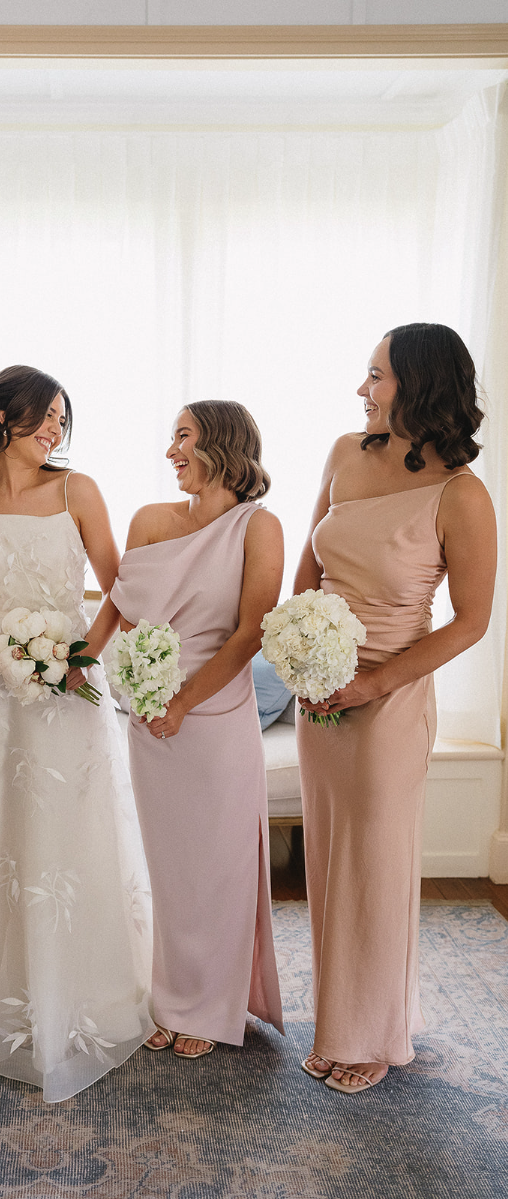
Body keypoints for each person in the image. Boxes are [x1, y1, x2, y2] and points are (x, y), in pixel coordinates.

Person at [295, 323, 497, 1094]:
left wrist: (373, 684)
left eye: (375, 376)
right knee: (329, 859)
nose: (362, 390)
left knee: (375, 864)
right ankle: (342, 1018)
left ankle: (372, 1033)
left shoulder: (463, 495)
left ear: (418, 385)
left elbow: (471, 621)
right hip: (322, 688)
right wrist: (303, 654)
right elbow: (309, 569)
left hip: (391, 695)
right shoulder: (347, 452)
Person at [0, 364, 154, 1103]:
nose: (56, 431)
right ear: (4, 419)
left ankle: (82, 990)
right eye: (45, 417)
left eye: (63, 420)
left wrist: (76, 658)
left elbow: (121, 586)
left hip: (67, 684)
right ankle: (11, 989)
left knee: (69, 834)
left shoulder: (78, 490)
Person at [110, 400, 285, 1060]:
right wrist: (138, 684)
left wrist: (182, 701)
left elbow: (249, 633)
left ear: (220, 442)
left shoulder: (258, 526)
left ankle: (210, 1009)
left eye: (181, 437)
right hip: (149, 715)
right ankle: (166, 999)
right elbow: (126, 613)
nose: (170, 451)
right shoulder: (151, 520)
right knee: (166, 866)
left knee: (218, 866)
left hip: (212, 715)